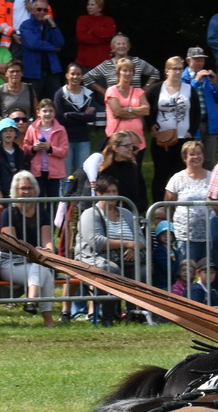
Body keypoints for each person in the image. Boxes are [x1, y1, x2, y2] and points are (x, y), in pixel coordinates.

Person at [76, 175, 143, 324]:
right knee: (111, 270)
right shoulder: (90, 214)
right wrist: (126, 244)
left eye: (114, 191)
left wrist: (133, 247)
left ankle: (134, 314)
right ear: (99, 194)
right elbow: (96, 242)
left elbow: (141, 240)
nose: (113, 195)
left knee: (142, 269)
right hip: (92, 257)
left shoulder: (126, 213)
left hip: (124, 257)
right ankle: (108, 316)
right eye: (108, 192)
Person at [0, 170, 58, 326]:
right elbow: (13, 245)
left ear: (35, 190)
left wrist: (49, 250)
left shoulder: (42, 212)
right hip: (10, 262)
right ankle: (46, 317)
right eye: (22, 188)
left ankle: (31, 302)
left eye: (29, 188)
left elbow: (48, 241)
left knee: (42, 271)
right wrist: (34, 252)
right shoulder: (8, 213)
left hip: (34, 261)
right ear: (15, 191)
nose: (26, 191)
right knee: (42, 270)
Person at [165, 139, 216, 270]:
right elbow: (168, 206)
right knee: (185, 273)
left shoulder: (213, 177)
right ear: (184, 157)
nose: (196, 157)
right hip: (185, 236)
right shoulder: (177, 179)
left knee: (208, 273)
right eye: (192, 154)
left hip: (209, 235)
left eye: (199, 153)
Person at [17, 0, 64, 97]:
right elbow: (33, 44)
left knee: (55, 102)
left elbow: (60, 42)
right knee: (32, 103)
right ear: (33, 10)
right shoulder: (26, 25)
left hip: (52, 72)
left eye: (45, 10)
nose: (42, 12)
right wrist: (53, 48)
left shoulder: (50, 26)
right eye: (39, 9)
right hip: (33, 73)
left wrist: (53, 24)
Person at [22, 98, 68, 201]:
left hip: (54, 172)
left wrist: (50, 148)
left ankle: (53, 217)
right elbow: (25, 147)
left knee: (53, 200)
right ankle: (41, 217)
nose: (48, 114)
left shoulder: (60, 129)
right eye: (44, 111)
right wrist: (33, 148)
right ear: (38, 112)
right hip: (37, 170)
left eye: (50, 111)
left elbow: (64, 151)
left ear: (55, 113)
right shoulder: (32, 128)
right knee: (39, 199)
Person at [0, 118, 31, 205]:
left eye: (11, 130)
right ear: (0, 134)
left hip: (18, 189)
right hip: (4, 191)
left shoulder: (20, 152)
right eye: (5, 131)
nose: (8, 133)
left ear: (15, 133)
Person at [73, 0, 116, 71]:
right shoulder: (82, 19)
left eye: (92, 4)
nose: (89, 7)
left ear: (100, 7)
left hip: (104, 64)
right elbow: (82, 37)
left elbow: (110, 34)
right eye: (88, 4)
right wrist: (103, 38)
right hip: (84, 63)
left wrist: (92, 30)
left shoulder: (108, 20)